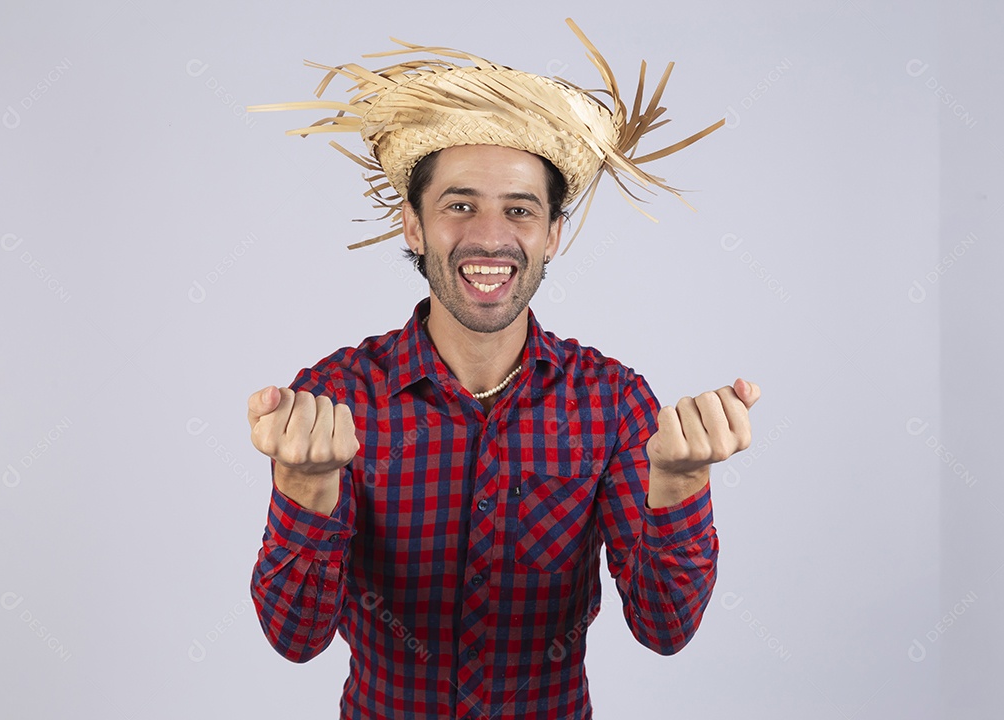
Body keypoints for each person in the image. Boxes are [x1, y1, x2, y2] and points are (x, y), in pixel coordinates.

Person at [245, 19, 760, 720]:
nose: (490, 236)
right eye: (460, 205)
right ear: (414, 225)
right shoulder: (338, 397)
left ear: (551, 234)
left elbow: (665, 629)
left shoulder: (612, 401)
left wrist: (681, 484)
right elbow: (294, 638)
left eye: (519, 210)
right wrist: (305, 489)